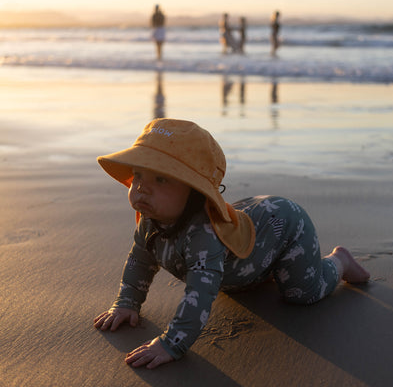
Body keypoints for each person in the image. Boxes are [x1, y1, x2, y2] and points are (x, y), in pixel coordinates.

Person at [94, 118, 370, 370]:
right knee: (234, 283)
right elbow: (139, 261)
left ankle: (339, 262)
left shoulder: (203, 236)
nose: (142, 187)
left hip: (284, 225)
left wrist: (171, 342)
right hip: (256, 233)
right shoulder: (151, 220)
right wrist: (127, 302)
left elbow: (199, 296)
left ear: (193, 189)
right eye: (138, 175)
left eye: (161, 178)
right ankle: (262, 270)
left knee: (301, 294)